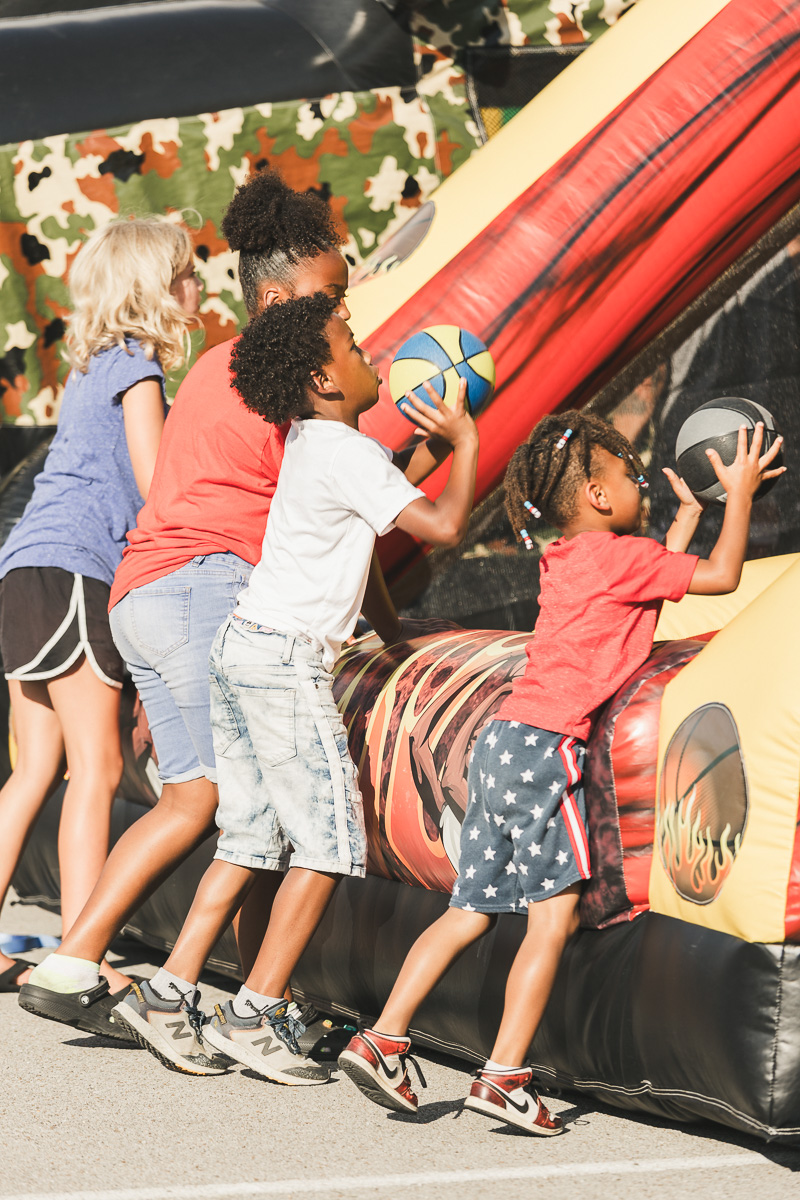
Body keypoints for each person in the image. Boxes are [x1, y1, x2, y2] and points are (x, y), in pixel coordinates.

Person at [21, 169, 453, 1044]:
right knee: (241, 807)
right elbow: (344, 514)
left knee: (201, 799)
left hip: (142, 589)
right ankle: (226, 997)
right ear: (280, 299)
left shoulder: (216, 365)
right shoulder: (288, 383)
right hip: (204, 585)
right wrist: (428, 465)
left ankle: (86, 963)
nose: (344, 314)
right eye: (331, 298)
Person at [338, 409, 785, 1133]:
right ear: (600, 495)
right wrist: (735, 496)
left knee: (467, 911)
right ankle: (504, 1076)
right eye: (629, 474)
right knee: (553, 921)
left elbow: (653, 584)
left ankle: (381, 1037)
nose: (641, 483)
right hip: (547, 750)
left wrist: (688, 515)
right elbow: (721, 575)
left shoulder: (572, 558)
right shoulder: (622, 559)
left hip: (500, 740)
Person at [112, 292, 480, 1082]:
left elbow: (364, 541)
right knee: (331, 842)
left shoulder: (312, 444)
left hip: (240, 646)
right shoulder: (349, 452)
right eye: (354, 345)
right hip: (282, 660)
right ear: (323, 378)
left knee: (249, 836)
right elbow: (445, 526)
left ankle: (169, 993)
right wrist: (467, 440)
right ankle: (255, 1012)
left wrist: (393, 636)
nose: (372, 355)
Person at [0, 217, 199, 995]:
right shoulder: (137, 363)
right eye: (187, 273)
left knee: (32, 770)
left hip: (23, 566)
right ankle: (81, 956)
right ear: (157, 286)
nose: (198, 285)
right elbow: (157, 487)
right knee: (97, 766)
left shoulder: (89, 363)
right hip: (77, 569)